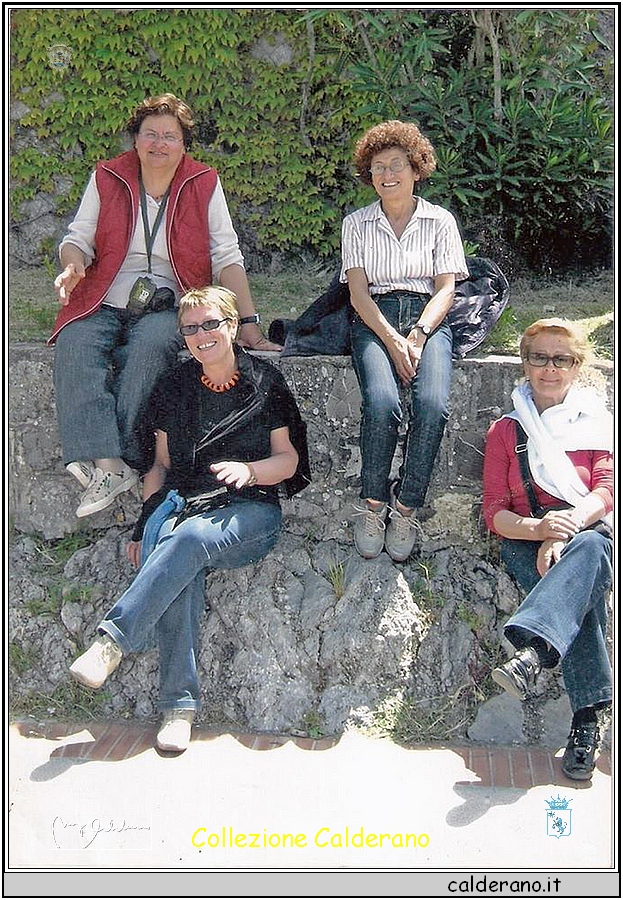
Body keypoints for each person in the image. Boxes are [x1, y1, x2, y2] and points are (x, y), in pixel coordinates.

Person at [69, 286, 309, 752]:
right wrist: (146, 522)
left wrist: (249, 471)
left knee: (189, 539)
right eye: (191, 328)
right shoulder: (173, 386)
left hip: (250, 512)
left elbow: (289, 461)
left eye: (210, 324)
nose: (201, 335)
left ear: (232, 326)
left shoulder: (265, 382)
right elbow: (159, 466)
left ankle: (111, 642)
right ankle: (178, 709)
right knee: (179, 552)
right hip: (188, 507)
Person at [51, 93, 280, 519]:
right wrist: (72, 266)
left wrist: (248, 323)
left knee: (152, 346)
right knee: (75, 342)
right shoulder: (107, 176)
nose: (159, 144)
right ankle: (109, 463)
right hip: (104, 291)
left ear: (184, 143)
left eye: (169, 136)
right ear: (135, 140)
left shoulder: (203, 182)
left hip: (170, 299)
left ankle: (122, 457)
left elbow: (227, 255)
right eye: (150, 134)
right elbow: (77, 238)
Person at [482, 318, 613, 781]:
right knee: (581, 594)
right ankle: (587, 721)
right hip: (527, 538)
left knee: (590, 551)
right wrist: (540, 530)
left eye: (562, 359)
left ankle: (533, 654)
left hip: (589, 530)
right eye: (540, 357)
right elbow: (494, 513)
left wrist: (564, 530)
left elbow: (606, 491)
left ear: (576, 366)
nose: (549, 369)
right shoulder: (506, 431)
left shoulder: (597, 422)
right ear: (525, 362)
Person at [340, 120, 469, 561]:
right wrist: (394, 340)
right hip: (374, 319)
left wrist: (417, 334)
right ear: (369, 175)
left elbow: (447, 288)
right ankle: (373, 503)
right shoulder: (355, 224)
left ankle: (406, 504)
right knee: (382, 403)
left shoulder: (440, 221)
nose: (387, 174)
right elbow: (357, 293)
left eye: (397, 165)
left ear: (417, 169)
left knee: (432, 405)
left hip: (427, 318)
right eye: (378, 167)